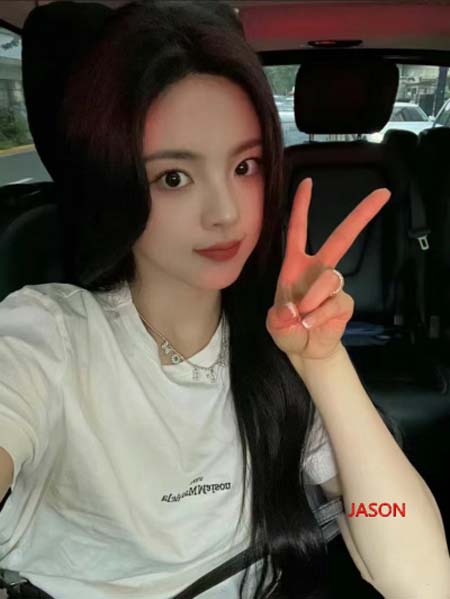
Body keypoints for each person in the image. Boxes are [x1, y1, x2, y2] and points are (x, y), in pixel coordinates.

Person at [1, 2, 449, 599]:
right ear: (115, 183)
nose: (226, 213)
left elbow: (420, 580)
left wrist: (323, 362)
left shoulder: (277, 351)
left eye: (246, 166)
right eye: (174, 177)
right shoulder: (45, 337)